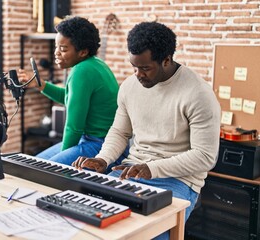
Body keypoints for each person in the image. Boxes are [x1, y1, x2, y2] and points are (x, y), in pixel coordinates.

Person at [73, 21, 221, 239]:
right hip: (133, 171)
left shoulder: (198, 94)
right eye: (134, 66)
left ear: (166, 60)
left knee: (147, 235)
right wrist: (103, 159)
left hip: (179, 181)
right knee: (90, 224)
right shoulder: (130, 86)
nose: (137, 74)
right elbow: (119, 131)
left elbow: (205, 157)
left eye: (145, 68)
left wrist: (151, 169)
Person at [19, 16, 128, 167]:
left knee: (42, 170)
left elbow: (74, 127)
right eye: (56, 47)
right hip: (98, 139)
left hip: (101, 144)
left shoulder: (81, 71)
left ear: (82, 52)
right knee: (33, 163)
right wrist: (41, 85)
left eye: (63, 49)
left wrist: (62, 167)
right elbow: (71, 99)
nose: (56, 53)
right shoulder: (95, 63)